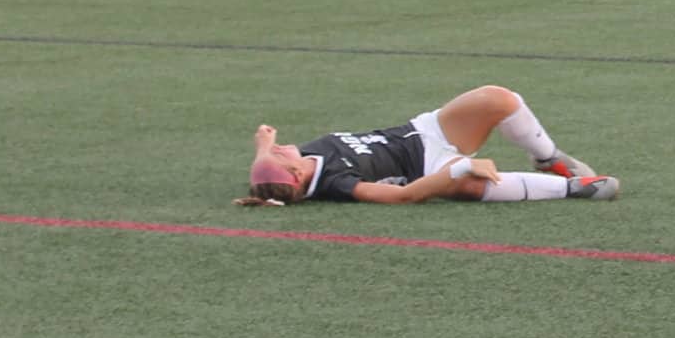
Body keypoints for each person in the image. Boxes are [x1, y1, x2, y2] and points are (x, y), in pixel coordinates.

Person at [238, 85, 616, 205]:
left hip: (425, 131)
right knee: (467, 186)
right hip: (426, 170)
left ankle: (549, 158)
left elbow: (266, 185)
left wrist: (263, 148)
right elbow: (403, 198)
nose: (279, 145)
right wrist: (461, 168)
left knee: (500, 98)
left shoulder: (302, 161)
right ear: (294, 172)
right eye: (278, 154)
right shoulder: (335, 182)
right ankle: (571, 188)